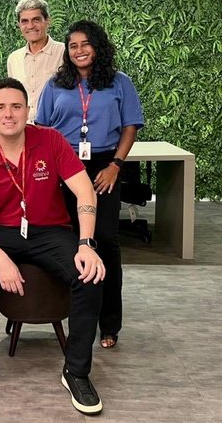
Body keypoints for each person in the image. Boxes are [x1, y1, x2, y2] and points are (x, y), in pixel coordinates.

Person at [0, 77, 107, 415]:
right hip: (2, 232)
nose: (9, 114)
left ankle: (76, 371)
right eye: (1, 107)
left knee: (89, 276)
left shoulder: (51, 141)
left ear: (27, 110)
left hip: (51, 231)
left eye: (16, 106)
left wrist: (86, 243)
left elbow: (85, 191)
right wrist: (0, 259)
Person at [36, 20, 144, 350]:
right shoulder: (55, 85)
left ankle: (109, 324)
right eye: (73, 46)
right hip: (63, 165)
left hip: (103, 167)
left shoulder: (119, 82)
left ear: (97, 47)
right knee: (69, 243)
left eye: (85, 44)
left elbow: (130, 127)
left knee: (105, 241)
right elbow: (41, 129)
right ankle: (76, 318)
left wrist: (116, 166)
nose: (79, 50)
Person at [6, 0, 65, 122]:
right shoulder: (14, 59)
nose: (30, 26)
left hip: (56, 128)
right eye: (24, 21)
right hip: (24, 128)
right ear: (19, 25)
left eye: (36, 20)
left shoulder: (64, 53)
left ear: (47, 21)